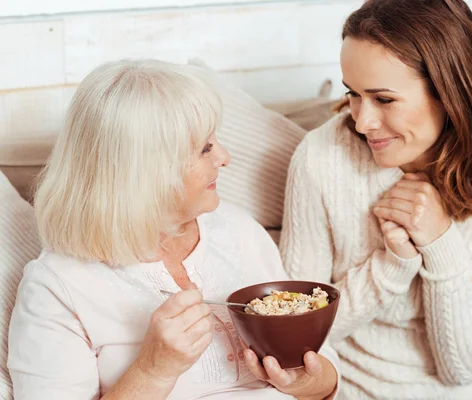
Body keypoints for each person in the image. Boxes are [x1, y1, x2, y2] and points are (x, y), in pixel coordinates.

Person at [7, 59, 339, 400]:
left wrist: (304, 382)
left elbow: (325, 378)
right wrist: (153, 370)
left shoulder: (239, 229)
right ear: (148, 173)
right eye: (205, 148)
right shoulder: (58, 287)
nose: (224, 157)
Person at [279, 1, 472, 399]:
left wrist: (441, 247)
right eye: (353, 94)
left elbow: (465, 369)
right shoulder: (321, 157)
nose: (362, 122)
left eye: (384, 99)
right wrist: (394, 264)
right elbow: (297, 330)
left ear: (450, 92)